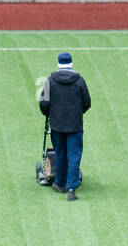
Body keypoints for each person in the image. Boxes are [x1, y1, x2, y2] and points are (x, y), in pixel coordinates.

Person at [38, 52, 91, 201]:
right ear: (71, 64)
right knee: (74, 156)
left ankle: (59, 182)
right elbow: (87, 102)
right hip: (75, 125)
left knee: (60, 153)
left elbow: (43, 103)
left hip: (57, 125)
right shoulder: (80, 81)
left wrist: (50, 115)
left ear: (58, 64)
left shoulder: (50, 82)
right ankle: (71, 188)